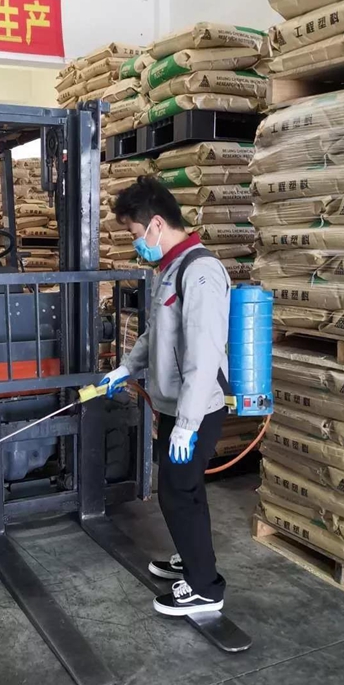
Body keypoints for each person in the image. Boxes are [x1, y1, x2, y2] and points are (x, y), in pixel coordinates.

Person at [100, 176, 231, 617]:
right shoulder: (171, 269)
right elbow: (156, 334)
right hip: (176, 406)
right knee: (184, 490)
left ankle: (205, 587)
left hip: (197, 408)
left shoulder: (200, 272)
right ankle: (192, 558)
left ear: (156, 224)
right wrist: (126, 368)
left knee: (177, 493)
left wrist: (188, 425)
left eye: (136, 234)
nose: (136, 244)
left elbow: (203, 355)